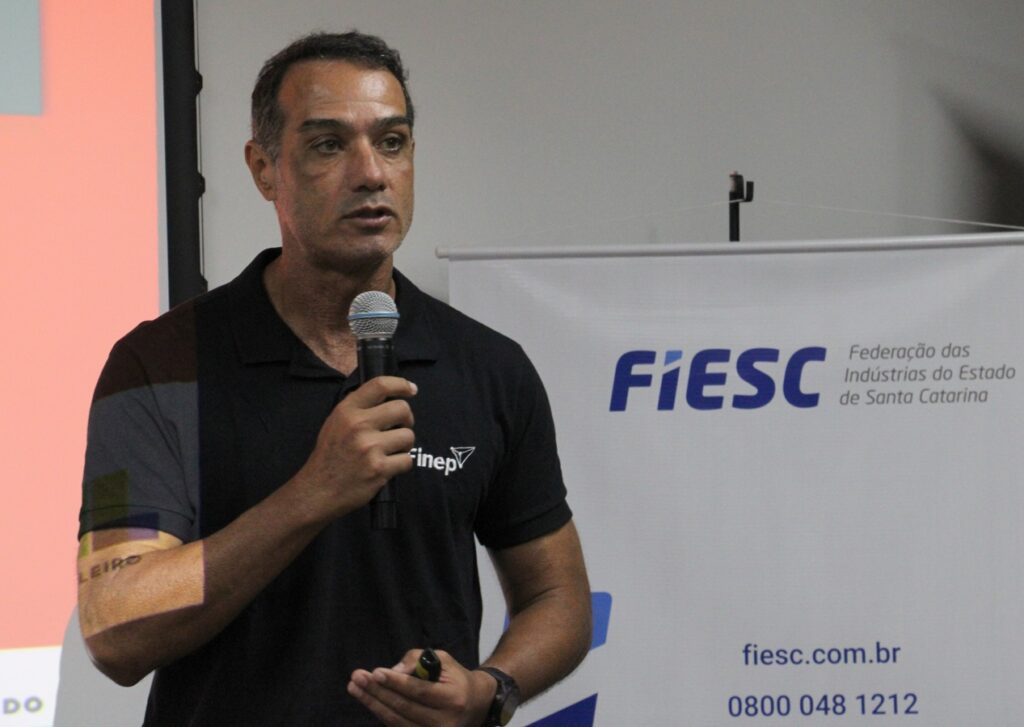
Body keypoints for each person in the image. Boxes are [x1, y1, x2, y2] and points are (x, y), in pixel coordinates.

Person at [76, 31, 591, 726]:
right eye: (328, 145)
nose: (371, 173)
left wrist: (490, 690)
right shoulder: (158, 365)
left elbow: (558, 598)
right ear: (264, 169)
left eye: (392, 142)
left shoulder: (489, 368)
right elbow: (116, 629)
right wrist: (312, 494)